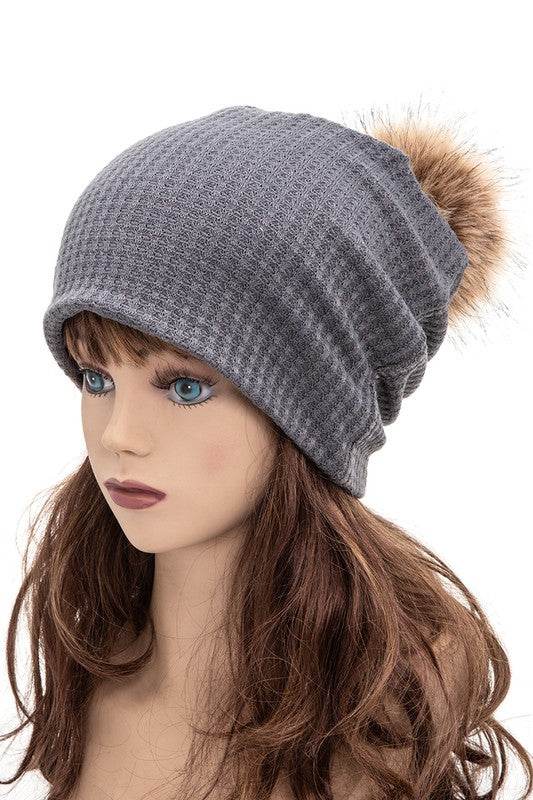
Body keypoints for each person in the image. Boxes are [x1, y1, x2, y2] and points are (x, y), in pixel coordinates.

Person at [2, 105, 531, 800]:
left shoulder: (394, 695)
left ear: (314, 408)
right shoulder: (86, 655)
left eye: (185, 387)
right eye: (97, 379)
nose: (118, 434)